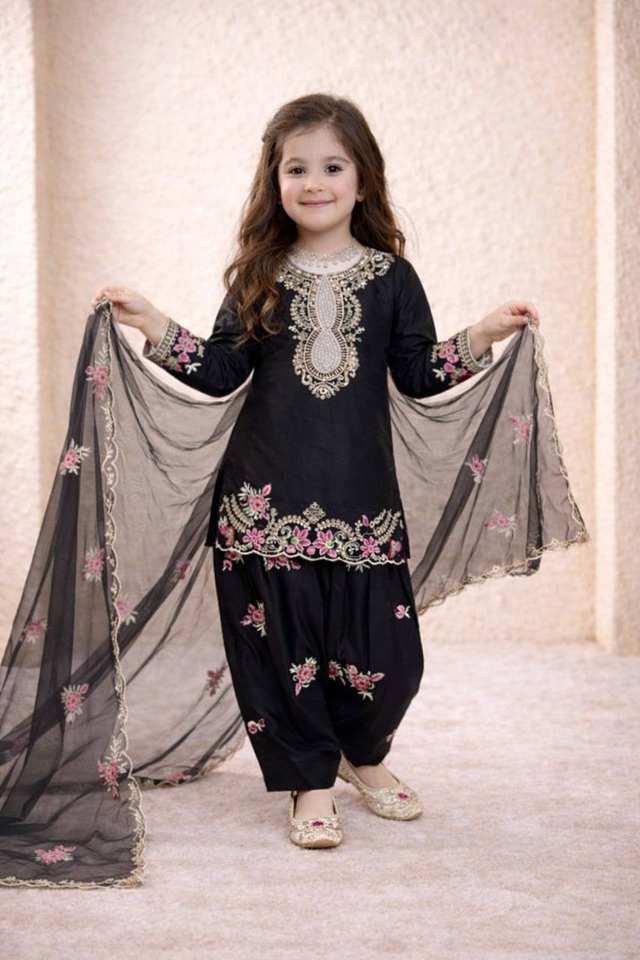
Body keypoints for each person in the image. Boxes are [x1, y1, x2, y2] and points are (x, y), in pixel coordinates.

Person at [90, 92, 543, 850]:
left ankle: (362, 755)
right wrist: (150, 320)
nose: (314, 182)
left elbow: (420, 373)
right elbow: (221, 370)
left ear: (362, 181)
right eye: (295, 168)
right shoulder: (261, 274)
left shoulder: (393, 278)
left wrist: (486, 332)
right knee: (283, 654)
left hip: (363, 502)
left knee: (387, 658)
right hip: (262, 502)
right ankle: (308, 780)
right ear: (275, 182)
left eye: (332, 167)